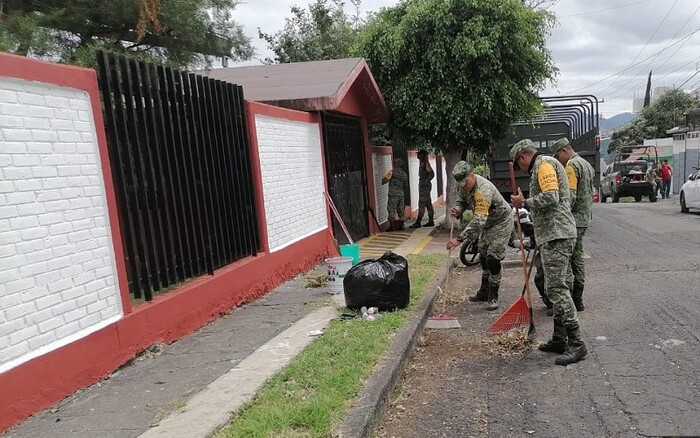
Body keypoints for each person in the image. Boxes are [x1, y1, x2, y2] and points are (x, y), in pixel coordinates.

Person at [509, 139, 587, 366]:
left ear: (523, 156)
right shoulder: (544, 164)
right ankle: (559, 339)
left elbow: (551, 197)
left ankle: (577, 343)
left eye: (518, 163)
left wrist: (524, 201)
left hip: (557, 234)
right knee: (561, 285)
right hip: (555, 234)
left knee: (556, 288)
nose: (519, 168)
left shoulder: (543, 165)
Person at [446, 161, 513, 311]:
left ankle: (493, 296)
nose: (464, 186)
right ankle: (484, 291)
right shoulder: (463, 186)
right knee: (482, 256)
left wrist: (459, 239)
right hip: (487, 223)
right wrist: (458, 209)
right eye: (461, 184)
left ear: (472, 175)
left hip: (500, 221)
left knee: (493, 258)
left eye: (465, 182)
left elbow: (479, 220)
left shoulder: (484, 190)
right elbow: (462, 200)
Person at [550, 138, 595, 312]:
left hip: (573, 220)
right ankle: (578, 299)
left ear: (564, 151)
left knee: (569, 260)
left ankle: (570, 301)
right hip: (584, 218)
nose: (557, 160)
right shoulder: (586, 164)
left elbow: (570, 196)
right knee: (578, 259)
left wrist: (559, 215)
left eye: (557, 156)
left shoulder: (571, 166)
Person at [410, 151, 436, 228]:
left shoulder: (425, 164)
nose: (417, 155)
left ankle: (418, 221)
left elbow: (432, 173)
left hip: (424, 187)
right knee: (428, 203)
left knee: (421, 203)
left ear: (423, 155)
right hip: (424, 186)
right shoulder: (422, 164)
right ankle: (431, 221)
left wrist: (426, 181)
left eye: (419, 154)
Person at [382, 158, 409, 227]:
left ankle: (392, 226)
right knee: (401, 209)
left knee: (391, 209)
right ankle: (401, 225)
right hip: (401, 194)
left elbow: (384, 180)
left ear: (396, 164)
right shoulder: (404, 174)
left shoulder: (392, 172)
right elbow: (406, 185)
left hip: (393, 194)